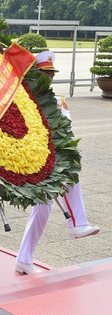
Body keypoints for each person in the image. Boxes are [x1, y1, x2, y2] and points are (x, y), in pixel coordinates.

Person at [15, 51, 100, 275]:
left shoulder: (57, 101)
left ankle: (24, 259)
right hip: (33, 161)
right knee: (68, 178)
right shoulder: (24, 101)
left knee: (43, 207)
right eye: (44, 74)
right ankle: (77, 224)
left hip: (53, 157)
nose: (49, 78)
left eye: (51, 74)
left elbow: (66, 131)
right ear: (34, 75)